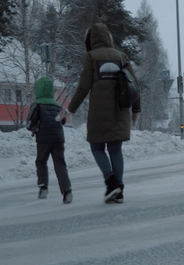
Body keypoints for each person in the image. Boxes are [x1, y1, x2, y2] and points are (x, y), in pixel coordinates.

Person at [64, 23, 140, 204]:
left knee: (97, 148)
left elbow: (83, 88)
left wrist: (70, 109)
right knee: (115, 150)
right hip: (120, 113)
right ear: (108, 37)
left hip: (98, 115)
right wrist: (136, 109)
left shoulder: (91, 57)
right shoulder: (121, 57)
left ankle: (111, 181)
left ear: (90, 40)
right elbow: (134, 85)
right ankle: (119, 191)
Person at [26, 77, 73, 204]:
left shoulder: (37, 104)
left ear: (38, 90)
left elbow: (30, 123)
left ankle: (43, 187)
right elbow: (62, 120)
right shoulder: (58, 105)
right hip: (58, 139)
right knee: (60, 164)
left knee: (41, 161)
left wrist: (33, 128)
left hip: (43, 139)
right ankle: (67, 191)